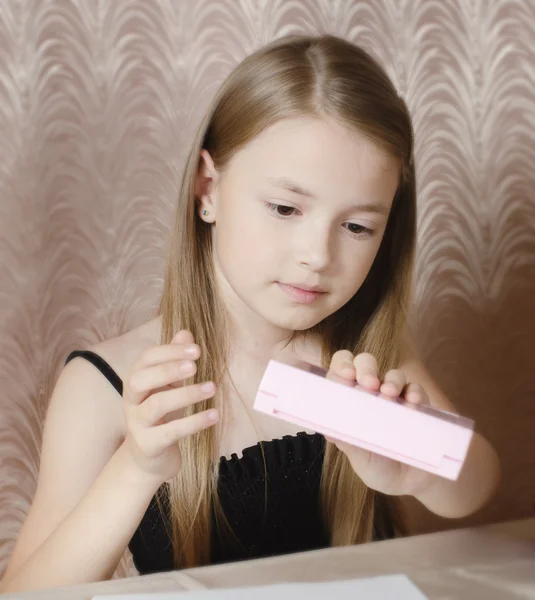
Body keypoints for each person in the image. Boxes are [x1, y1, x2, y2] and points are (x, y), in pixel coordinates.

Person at [1, 34, 500, 593]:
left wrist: (419, 468)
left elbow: (478, 481)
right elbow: (25, 592)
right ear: (208, 188)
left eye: (357, 226)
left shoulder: (365, 355)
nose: (318, 255)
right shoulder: (105, 386)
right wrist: (136, 469)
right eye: (285, 208)